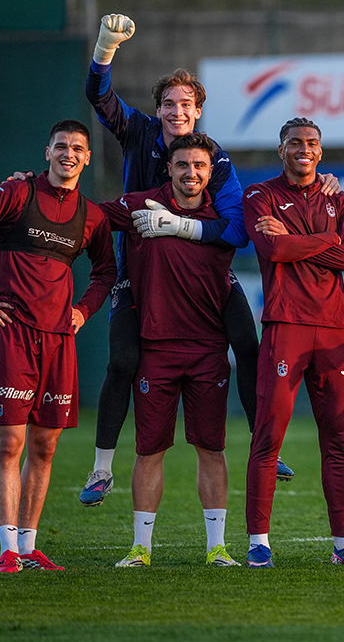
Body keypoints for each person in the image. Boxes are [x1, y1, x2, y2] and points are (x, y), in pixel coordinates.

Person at [77, 13, 298, 503]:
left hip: (203, 276)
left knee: (248, 343)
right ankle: (100, 468)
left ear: (198, 112)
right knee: (122, 361)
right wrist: (106, 49)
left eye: (186, 105)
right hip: (144, 273)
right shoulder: (137, 131)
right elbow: (99, 97)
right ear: (157, 110)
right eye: (168, 104)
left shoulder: (211, 156)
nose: (177, 111)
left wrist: (180, 226)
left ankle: (265, 445)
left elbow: (238, 230)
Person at [0, 120, 115, 572]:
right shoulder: (16, 194)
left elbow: (106, 271)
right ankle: (7, 547)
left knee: (45, 446)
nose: (69, 154)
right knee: (9, 443)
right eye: (61, 146)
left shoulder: (93, 216)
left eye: (78, 149)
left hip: (59, 340)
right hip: (11, 333)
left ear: (88, 158)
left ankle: (28, 548)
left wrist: (83, 311)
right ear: (47, 151)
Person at [243, 118, 344, 568]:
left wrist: (298, 240)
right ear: (280, 148)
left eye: (312, 143)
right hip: (286, 325)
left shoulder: (338, 198)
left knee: (339, 441)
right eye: (296, 143)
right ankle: (258, 543)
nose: (305, 149)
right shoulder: (259, 195)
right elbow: (273, 252)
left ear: (321, 151)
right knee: (268, 436)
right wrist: (327, 240)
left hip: (335, 330)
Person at [99, 133, 241, 567]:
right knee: (149, 450)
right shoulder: (141, 203)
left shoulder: (224, 215)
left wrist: (184, 226)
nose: (191, 173)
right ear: (170, 168)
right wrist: (40, 186)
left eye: (199, 165)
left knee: (211, 448)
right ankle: (141, 548)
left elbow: (242, 233)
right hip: (156, 348)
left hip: (208, 350)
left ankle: (217, 547)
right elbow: (86, 217)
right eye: (182, 165)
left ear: (210, 170)